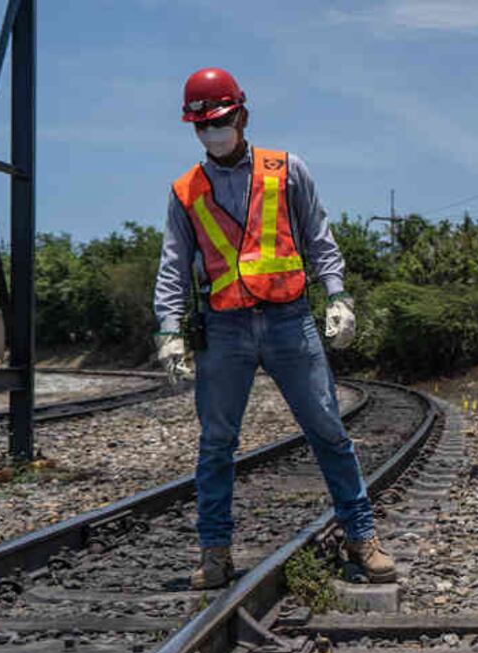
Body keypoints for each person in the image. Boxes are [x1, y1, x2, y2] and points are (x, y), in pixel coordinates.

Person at [153, 67, 395, 590]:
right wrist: (169, 329)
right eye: (202, 127)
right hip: (223, 330)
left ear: (242, 115)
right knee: (217, 444)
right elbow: (174, 265)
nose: (213, 133)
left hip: (289, 322)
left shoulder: (286, 170)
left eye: (220, 122)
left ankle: (361, 535)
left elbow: (319, 239)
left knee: (329, 430)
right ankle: (214, 553)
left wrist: (338, 295)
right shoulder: (185, 191)